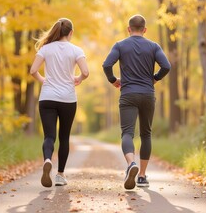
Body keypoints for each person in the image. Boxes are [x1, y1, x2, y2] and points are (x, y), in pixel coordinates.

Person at [102, 14, 171, 190]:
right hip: (148, 94)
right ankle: (141, 176)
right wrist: (154, 79)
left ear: (129, 29)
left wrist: (113, 80)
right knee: (146, 134)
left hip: (128, 94)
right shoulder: (154, 46)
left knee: (127, 133)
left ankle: (131, 164)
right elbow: (167, 66)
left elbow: (106, 65)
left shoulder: (120, 45)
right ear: (145, 29)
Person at [30, 18, 89, 188]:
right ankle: (60, 175)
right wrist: (78, 78)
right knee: (64, 138)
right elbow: (85, 72)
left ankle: (47, 159)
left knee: (49, 136)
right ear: (70, 33)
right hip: (68, 99)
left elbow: (33, 70)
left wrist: (43, 80)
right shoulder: (76, 50)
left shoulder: (46, 49)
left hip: (47, 97)